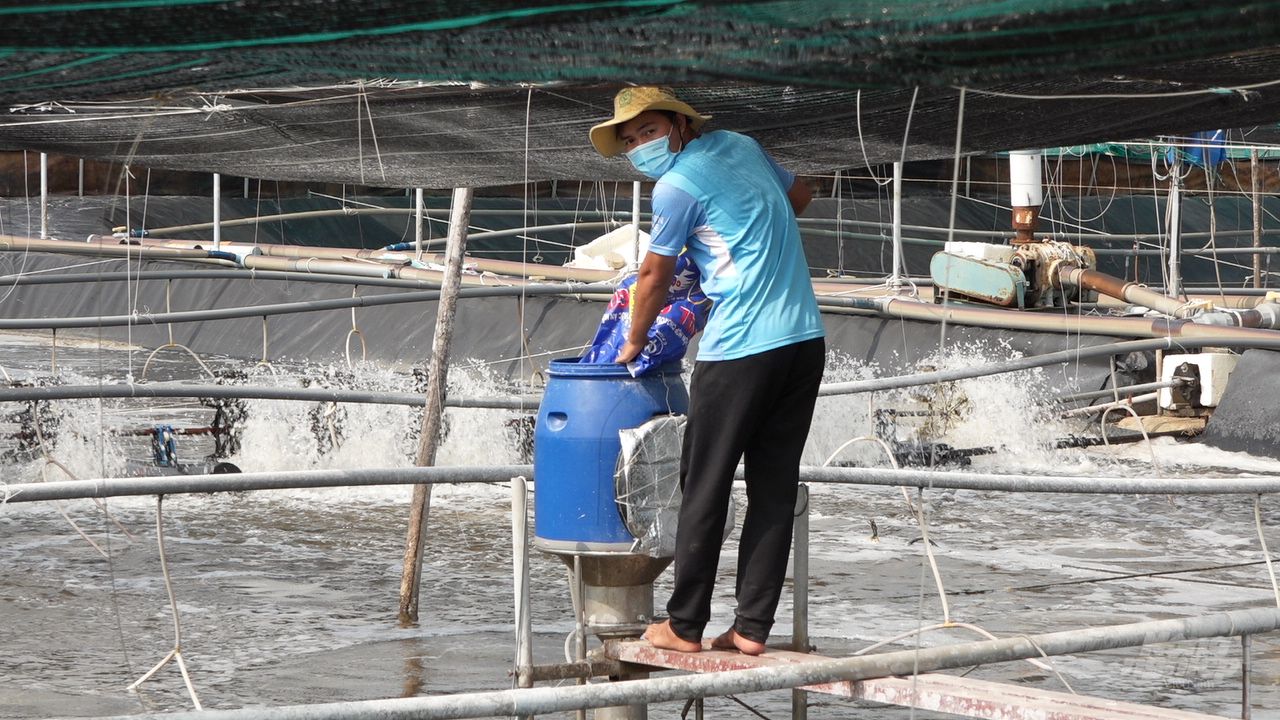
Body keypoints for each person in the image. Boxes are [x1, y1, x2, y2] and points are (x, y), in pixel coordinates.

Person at [589, 87, 825, 655]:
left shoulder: (675, 188)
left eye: (648, 132)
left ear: (679, 124)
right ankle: (750, 628)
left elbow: (652, 276)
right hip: (804, 341)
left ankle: (684, 624)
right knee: (773, 484)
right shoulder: (742, 145)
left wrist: (636, 339)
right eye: (630, 140)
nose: (640, 146)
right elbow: (801, 196)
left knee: (703, 482)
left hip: (741, 347)